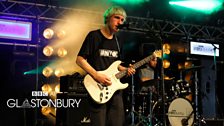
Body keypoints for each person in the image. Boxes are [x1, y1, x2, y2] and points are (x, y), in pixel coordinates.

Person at [76, 6, 135, 126]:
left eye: (122, 20)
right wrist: (96, 75)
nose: (120, 22)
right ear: (107, 18)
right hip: (98, 87)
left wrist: (126, 70)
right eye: (117, 18)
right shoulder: (94, 36)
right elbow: (80, 59)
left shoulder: (118, 41)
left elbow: (116, 65)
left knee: (117, 122)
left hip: (115, 88)